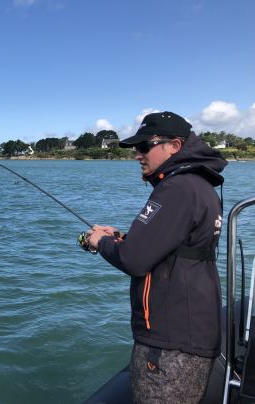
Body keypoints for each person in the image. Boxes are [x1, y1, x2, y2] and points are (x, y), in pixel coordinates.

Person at [86, 111, 227, 403]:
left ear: (174, 146)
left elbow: (134, 260)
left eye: (144, 147)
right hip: (191, 333)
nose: (137, 155)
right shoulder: (198, 186)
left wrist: (101, 242)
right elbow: (176, 250)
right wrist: (122, 238)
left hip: (169, 343)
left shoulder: (177, 188)